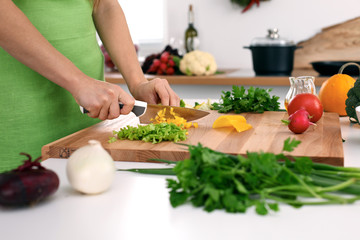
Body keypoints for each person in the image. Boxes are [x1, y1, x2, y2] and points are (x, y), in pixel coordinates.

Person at [0, 0, 180, 172]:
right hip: (20, 116)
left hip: (90, 120)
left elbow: (104, 5)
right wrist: (78, 82)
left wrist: (138, 83)